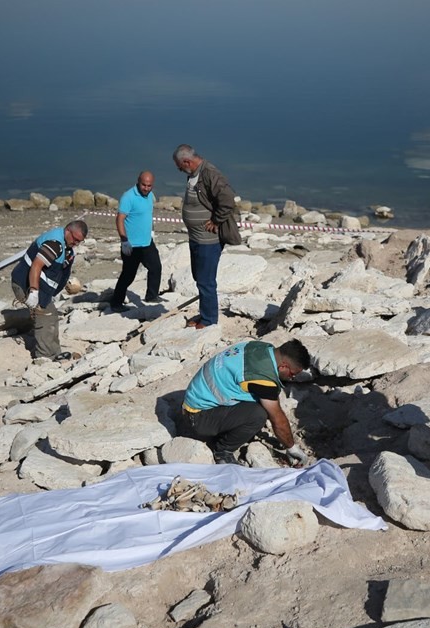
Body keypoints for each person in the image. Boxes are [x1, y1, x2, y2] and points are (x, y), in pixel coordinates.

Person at [179, 338, 312, 466]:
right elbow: (277, 418)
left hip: (193, 399)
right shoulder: (263, 379)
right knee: (258, 414)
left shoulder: (261, 347)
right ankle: (223, 451)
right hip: (196, 419)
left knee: (259, 401)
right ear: (283, 366)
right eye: (292, 373)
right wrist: (291, 447)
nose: (293, 377)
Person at [172, 144, 241, 329]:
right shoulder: (193, 174)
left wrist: (217, 221)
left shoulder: (210, 174)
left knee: (206, 280)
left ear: (186, 161)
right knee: (199, 277)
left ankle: (210, 320)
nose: (179, 170)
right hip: (195, 238)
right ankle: (204, 314)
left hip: (208, 240)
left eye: (179, 166)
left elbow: (227, 199)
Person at [10, 220, 88, 362]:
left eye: (79, 241)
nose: (76, 243)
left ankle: (54, 353)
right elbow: (36, 266)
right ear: (68, 231)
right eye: (75, 239)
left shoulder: (65, 245)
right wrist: (33, 292)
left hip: (40, 288)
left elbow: (55, 270)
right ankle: (44, 358)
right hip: (25, 284)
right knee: (45, 318)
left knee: (52, 317)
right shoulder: (54, 244)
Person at [110, 171, 164, 312]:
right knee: (128, 275)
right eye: (144, 185)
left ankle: (152, 296)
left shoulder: (150, 196)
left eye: (149, 185)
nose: (146, 188)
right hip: (131, 245)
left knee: (156, 268)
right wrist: (124, 240)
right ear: (138, 182)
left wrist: (152, 231)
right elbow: (120, 219)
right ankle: (116, 303)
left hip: (147, 242)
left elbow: (148, 215)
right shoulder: (128, 197)